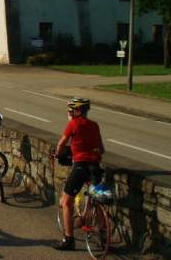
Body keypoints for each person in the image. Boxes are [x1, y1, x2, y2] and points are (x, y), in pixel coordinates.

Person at [54, 97, 105, 251]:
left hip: (80, 167)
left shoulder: (73, 124)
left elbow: (62, 143)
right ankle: (102, 233)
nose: (69, 113)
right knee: (97, 199)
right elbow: (101, 149)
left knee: (66, 201)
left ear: (77, 111)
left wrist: (59, 154)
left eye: (70, 111)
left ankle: (68, 240)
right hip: (95, 166)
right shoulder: (94, 125)